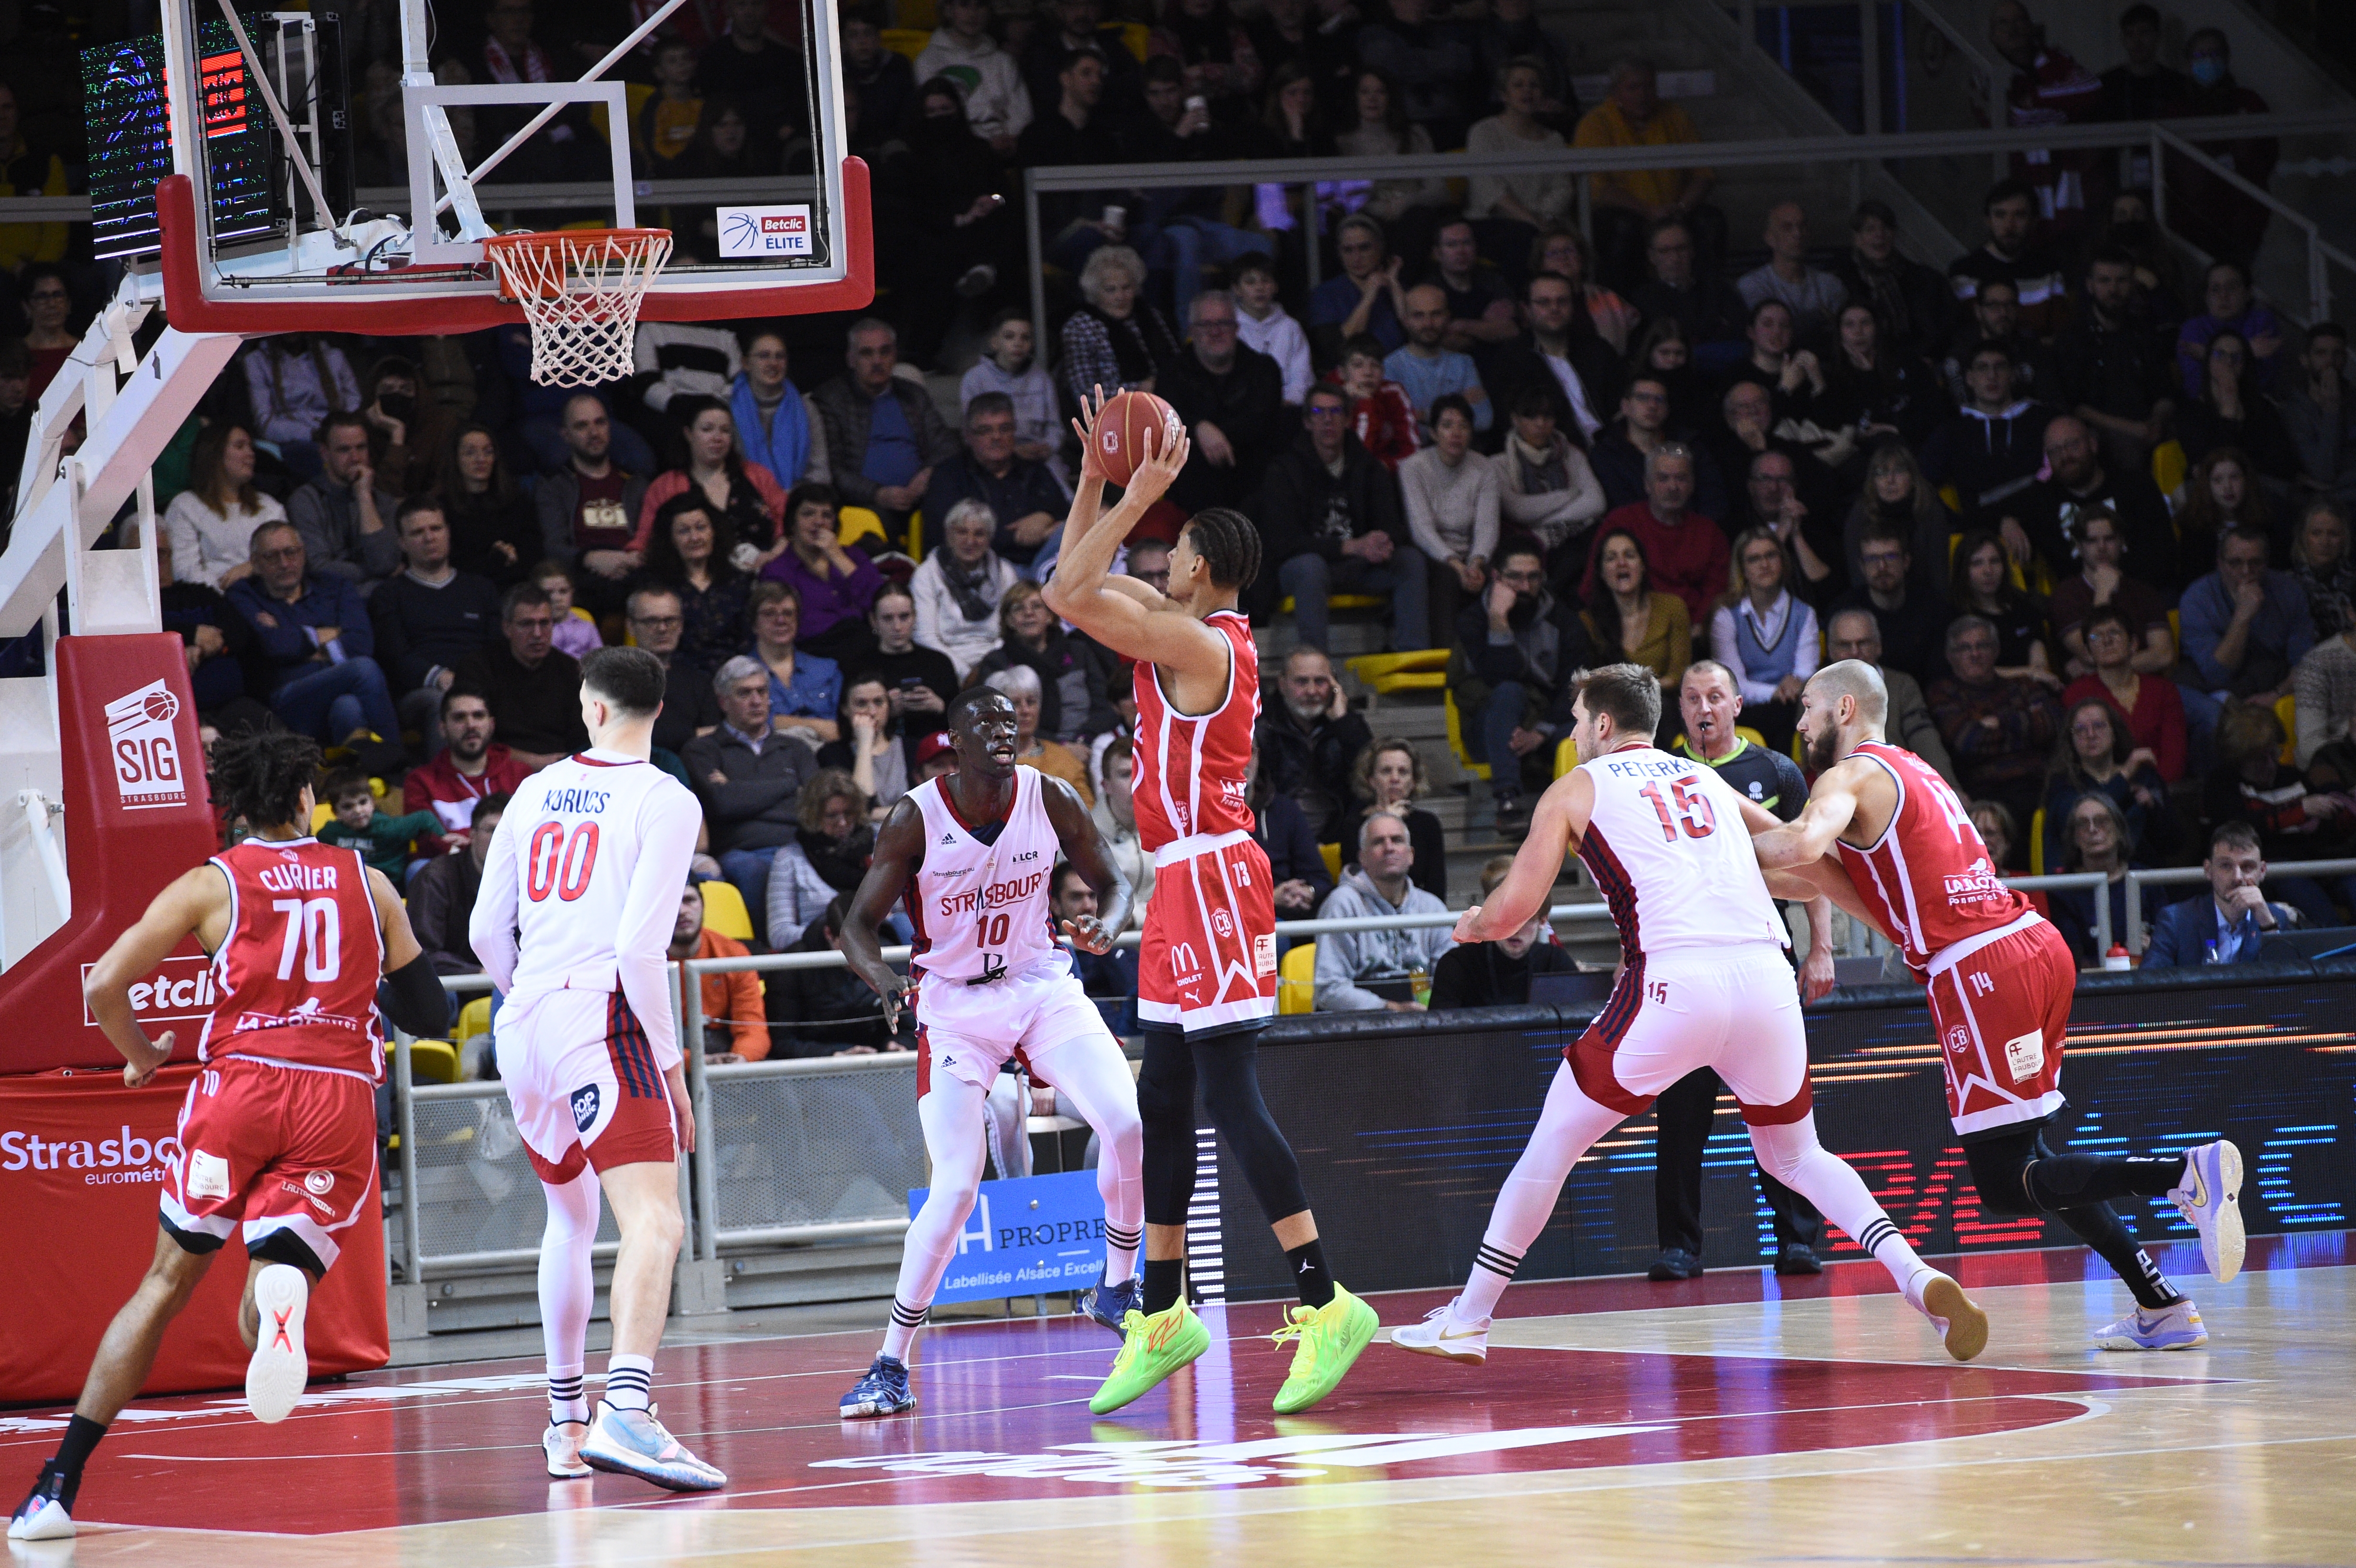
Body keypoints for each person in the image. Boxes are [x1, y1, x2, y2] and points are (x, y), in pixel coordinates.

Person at [1395, 663, 1988, 1369]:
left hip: (1675, 981)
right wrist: (1893, 925)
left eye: (1581, 721)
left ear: (1604, 725)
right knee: (1799, 1155)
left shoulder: (1575, 787)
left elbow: (1514, 911)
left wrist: (1472, 925)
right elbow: (1809, 859)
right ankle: (1914, 1275)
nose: (1577, 733)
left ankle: (1469, 1318)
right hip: (1767, 977)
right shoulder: (1706, 779)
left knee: (1553, 1145)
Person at [7, 732, 446, 1542]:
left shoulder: (212, 884)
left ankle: (56, 1488)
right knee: (278, 1273)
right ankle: (281, 1302)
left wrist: (144, 1056)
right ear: (307, 801)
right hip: (336, 1096)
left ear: (238, 807)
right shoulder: (369, 882)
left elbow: (104, 983)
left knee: (164, 1285)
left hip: (237, 1090)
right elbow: (432, 1015)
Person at [1753, 660, 2245, 1352]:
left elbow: (1804, 842)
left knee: (2007, 1186)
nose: (1797, 722)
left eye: (1806, 707)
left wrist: (1718, 849)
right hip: (2033, 948)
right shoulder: (1916, 773)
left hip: (1981, 970)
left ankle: (2182, 1176)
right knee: (2036, 1160)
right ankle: (2159, 1303)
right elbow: (1845, 888)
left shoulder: (1847, 777)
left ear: (1842, 709)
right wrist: (1758, 860)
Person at [1045, 412, 1379, 1416]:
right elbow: (1074, 576)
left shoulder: (1194, 639)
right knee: (1163, 1101)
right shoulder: (1174, 617)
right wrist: (1096, 477)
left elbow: (1067, 594)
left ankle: (1326, 1301)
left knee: (1229, 1097)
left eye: (1174, 546)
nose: (1160, 552)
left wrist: (1134, 489)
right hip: (1180, 881)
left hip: (1218, 882)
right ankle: (1162, 1307)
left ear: (1204, 565)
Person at [834, 688, 1145, 1419]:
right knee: (957, 1188)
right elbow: (857, 925)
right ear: (954, 739)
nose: (1003, 732)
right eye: (986, 723)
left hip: (1040, 987)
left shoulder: (1052, 796)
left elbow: (1114, 882)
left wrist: (1108, 926)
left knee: (1126, 1124)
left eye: (1010, 722)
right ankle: (891, 1364)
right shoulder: (917, 815)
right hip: (954, 1009)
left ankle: (1118, 1286)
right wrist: (883, 979)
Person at [468, 647, 723, 1489]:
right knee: (658, 1223)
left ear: (593, 707)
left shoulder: (533, 790)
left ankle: (565, 1425)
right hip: (601, 1013)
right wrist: (673, 1067)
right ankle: (630, 1412)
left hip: (526, 1019)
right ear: (657, 710)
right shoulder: (665, 798)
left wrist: (524, 999)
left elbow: (481, 930)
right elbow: (639, 950)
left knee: (571, 1224)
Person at [1652, 659, 1832, 1278]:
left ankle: (1798, 1241)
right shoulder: (1658, 774)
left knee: (1779, 1107)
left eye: (1716, 697)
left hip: (1762, 961)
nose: (1705, 707)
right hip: (1686, 965)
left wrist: (1822, 948)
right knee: (1680, 1117)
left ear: (1737, 707)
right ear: (1680, 708)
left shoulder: (1775, 770)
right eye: (1693, 697)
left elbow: (1813, 861)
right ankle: (1680, 1248)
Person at [1255, 384, 1424, 654]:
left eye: (1336, 411)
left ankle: (1411, 656)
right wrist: (1351, 547)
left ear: (1348, 420)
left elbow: (1393, 524)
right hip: (1302, 569)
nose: (1328, 419)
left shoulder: (1368, 467)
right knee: (1310, 567)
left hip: (1359, 567)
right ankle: (1315, 664)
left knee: (1410, 560)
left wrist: (1383, 541)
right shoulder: (1284, 470)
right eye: (1319, 412)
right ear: (1308, 422)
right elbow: (1281, 543)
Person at [225, 523, 403, 762]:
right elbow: (273, 646)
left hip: (337, 688)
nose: (285, 563)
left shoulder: (335, 586)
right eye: (272, 557)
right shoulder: (243, 594)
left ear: (304, 553)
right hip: (286, 699)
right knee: (363, 669)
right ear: (255, 564)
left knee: (347, 707)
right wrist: (330, 635)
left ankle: (352, 783)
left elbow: (361, 643)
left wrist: (290, 636)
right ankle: (395, 758)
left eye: (292, 552)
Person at [1461, 541, 1599, 832]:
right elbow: (1493, 680)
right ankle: (1508, 802)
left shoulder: (1563, 621)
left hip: (1547, 726)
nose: (1525, 586)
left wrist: (1539, 733)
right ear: (1496, 577)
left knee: (1592, 731)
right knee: (1509, 691)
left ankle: (1587, 819)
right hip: (1491, 728)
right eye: (1515, 577)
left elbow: (1576, 687)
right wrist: (1499, 621)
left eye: (1533, 577)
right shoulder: (1473, 620)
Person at [684, 655, 821, 937]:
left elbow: (814, 807)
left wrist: (738, 790)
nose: (756, 701)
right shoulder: (703, 750)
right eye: (744, 693)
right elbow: (721, 804)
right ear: (723, 702)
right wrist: (789, 785)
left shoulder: (797, 749)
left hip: (800, 847)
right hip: (743, 852)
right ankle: (762, 958)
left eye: (762, 691)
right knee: (753, 870)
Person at [1573, 57, 1719, 293]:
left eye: (1649, 87)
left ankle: (1709, 297)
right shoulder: (1596, 124)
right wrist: (1647, 210)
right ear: (1616, 92)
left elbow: (1704, 174)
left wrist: (1681, 208)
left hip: (1676, 210)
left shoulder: (1675, 116)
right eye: (1634, 88)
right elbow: (1597, 188)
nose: (1643, 95)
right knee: (1622, 228)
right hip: (1629, 213)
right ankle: (1623, 302)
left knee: (1710, 221)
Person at [370, 499, 502, 751]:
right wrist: (439, 677)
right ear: (402, 543)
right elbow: (395, 656)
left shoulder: (481, 588)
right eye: (418, 533)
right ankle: (448, 787)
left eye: (436, 529)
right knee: (444, 703)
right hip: (421, 693)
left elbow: (496, 647)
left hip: (479, 683)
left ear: (448, 532)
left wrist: (472, 681)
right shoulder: (388, 595)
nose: (429, 538)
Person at [812, 319, 960, 543]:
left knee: (951, 507)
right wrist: (878, 494)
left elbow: (947, 445)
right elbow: (835, 470)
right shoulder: (831, 399)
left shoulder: (913, 395)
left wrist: (928, 473)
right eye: (867, 354)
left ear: (895, 356)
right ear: (851, 360)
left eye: (885, 352)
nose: (877, 361)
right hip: (867, 504)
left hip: (921, 497)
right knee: (879, 528)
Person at [2010, 414, 2179, 593]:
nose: (2066, 456)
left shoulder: (2136, 487)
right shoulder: (2042, 501)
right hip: (2080, 605)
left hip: (2143, 592)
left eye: (2073, 445)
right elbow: (1989, 509)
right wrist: (2008, 521)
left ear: (2093, 445)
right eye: (2055, 451)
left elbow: (2164, 554)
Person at [2049, 248, 2178, 480]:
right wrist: (2131, 429)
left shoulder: (2146, 332)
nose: (2113, 289)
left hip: (2148, 425)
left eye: (2121, 281)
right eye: (2105, 281)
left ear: (2133, 284)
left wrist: (2156, 421)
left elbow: (2165, 391)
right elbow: (2076, 406)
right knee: (2126, 452)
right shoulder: (2072, 338)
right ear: (2090, 286)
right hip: (2102, 430)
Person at [1928, 613, 2064, 828]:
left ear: (1996, 651)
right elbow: (1969, 742)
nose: (1975, 654)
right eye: (1965, 648)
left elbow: (2054, 724)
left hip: (2041, 783)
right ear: (1950, 656)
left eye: (1983, 646)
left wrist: (1999, 722)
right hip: (1988, 792)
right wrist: (2026, 729)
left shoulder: (2024, 686)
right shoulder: (1943, 693)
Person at [1160, 290, 1289, 512]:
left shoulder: (1264, 370)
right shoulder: (1171, 375)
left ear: (1237, 328)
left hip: (1255, 489)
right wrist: (1198, 427)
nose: (1216, 332)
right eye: (1206, 325)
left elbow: (1260, 424)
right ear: (1192, 331)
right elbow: (1166, 427)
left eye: (1224, 323)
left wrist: (1210, 433)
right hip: (1192, 498)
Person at [1313, 812, 1454, 1012]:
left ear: (1411, 855)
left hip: (1423, 1023)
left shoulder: (1432, 908)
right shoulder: (1341, 904)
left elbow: (1452, 982)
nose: (1389, 848)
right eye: (1378, 842)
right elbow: (1329, 991)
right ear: (1363, 858)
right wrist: (1390, 1009)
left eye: (1397, 840)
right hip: (1358, 1028)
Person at [1588, 445, 1725, 638]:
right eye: (1663, 479)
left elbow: (1717, 592)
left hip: (1695, 634)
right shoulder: (1621, 523)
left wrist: (1697, 628)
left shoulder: (1709, 532)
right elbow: (1594, 586)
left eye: (1681, 478)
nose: (1673, 487)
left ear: (1693, 484)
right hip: (1630, 635)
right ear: (1647, 484)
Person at [631, 397, 787, 566]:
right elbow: (644, 542)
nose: (718, 438)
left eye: (725, 431)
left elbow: (790, 525)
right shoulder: (665, 486)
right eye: (707, 429)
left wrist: (773, 556)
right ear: (689, 434)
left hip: (763, 573)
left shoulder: (758, 475)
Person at [450, 581, 590, 769]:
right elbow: (473, 737)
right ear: (507, 628)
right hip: (496, 770)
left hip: (561, 771)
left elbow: (582, 738)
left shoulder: (571, 670)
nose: (538, 634)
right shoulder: (477, 668)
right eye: (526, 624)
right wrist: (537, 763)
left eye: (544, 623)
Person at [1921, 341, 2053, 541]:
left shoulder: (2043, 420)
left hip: (2043, 527)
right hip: (1977, 537)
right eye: (1983, 368)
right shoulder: (1951, 431)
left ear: (2013, 375)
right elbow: (1924, 484)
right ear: (1970, 378)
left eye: (2000, 367)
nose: (1992, 376)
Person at [924, 393, 1069, 573]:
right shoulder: (948, 476)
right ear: (968, 436)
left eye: (1005, 429)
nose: (997, 437)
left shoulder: (1036, 471)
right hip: (984, 569)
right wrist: (1032, 535)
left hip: (1043, 565)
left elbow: (1069, 517)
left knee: (1087, 527)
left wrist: (1046, 518)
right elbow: (948, 538)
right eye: (986, 431)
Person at [535, 394, 650, 618]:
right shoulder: (553, 486)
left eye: (600, 422)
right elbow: (553, 547)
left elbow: (652, 539)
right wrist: (589, 558)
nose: (594, 432)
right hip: (581, 581)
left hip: (633, 576)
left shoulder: (636, 483)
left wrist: (632, 559)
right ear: (565, 435)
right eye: (582, 426)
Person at [1400, 395, 1500, 647]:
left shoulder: (1485, 468)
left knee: (1502, 574)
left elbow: (1487, 527)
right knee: (1445, 579)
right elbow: (1421, 530)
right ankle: (1443, 660)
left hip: (1472, 554)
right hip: (1433, 554)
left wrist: (1476, 563)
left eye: (1463, 426)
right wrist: (1458, 567)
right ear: (1433, 433)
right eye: (1447, 426)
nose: (1456, 433)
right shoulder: (1414, 467)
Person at [1487, 270, 1623, 452]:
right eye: (1544, 302)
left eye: (1562, 301)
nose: (1554, 308)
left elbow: (1622, 407)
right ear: (1526, 309)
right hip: (1554, 453)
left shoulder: (1598, 350)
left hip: (1613, 450)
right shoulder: (1511, 360)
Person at [2042, 695, 2178, 872]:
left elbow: (2175, 842)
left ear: (2115, 732)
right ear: (2071, 740)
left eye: (2098, 726)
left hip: (2144, 876)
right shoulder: (2062, 783)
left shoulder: (2144, 775)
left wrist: (2154, 809)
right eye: (2081, 729)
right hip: (2085, 880)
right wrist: (2126, 774)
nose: (2091, 735)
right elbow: (2076, 821)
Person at [1711, 529, 1819, 753]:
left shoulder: (1804, 613)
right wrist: (1775, 692)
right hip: (1746, 709)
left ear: (1783, 561)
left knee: (1791, 717)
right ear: (1742, 568)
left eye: (1771, 556)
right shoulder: (1726, 616)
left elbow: (1805, 675)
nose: (1764, 565)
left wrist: (1793, 687)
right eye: (1754, 559)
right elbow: (1733, 684)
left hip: (1792, 708)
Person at [2181, 527, 2317, 704]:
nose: (2246, 571)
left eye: (2256, 563)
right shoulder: (2197, 598)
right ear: (2220, 564)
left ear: (2267, 563)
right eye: (2235, 563)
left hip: (2272, 682)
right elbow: (2217, 673)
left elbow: (2304, 662)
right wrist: (2243, 617)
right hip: (2211, 688)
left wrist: (2277, 695)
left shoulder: (2289, 591)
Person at [1256, 643, 1375, 843]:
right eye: (1302, 682)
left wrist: (1343, 723)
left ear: (1335, 684)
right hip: (1277, 839)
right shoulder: (1263, 726)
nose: (1312, 691)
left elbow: (1372, 773)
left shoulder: (1347, 724)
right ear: (1282, 684)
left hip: (1341, 836)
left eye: (1320, 682)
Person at [972, 580, 1116, 744]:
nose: (1029, 613)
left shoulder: (1079, 652)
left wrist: (1084, 739)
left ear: (1050, 616)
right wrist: (1059, 746)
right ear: (1009, 621)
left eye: (1037, 606)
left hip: (1086, 743)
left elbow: (1105, 705)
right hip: (1025, 745)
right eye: (1019, 608)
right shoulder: (997, 663)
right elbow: (990, 717)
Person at [1826, 607, 1958, 784]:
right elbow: (1813, 757)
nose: (1855, 652)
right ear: (1830, 650)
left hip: (1895, 785)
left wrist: (1949, 787)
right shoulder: (1816, 690)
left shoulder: (1901, 686)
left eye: (1863, 643)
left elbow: (1925, 739)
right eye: (1845, 645)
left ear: (1879, 646)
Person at [2142, 824, 2300, 968]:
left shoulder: (2275, 919)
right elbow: (2150, 983)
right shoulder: (2176, 920)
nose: (2238, 877)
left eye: (2247, 867)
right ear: (2208, 870)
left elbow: (2289, 987)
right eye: (2226, 866)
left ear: (2262, 871)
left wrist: (2267, 924)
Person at [2062, 604, 2187, 785]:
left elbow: (2175, 757)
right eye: (2096, 636)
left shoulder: (2164, 691)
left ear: (2133, 644)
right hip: (2106, 794)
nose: (2106, 641)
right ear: (2088, 652)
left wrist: (2154, 791)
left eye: (2115, 633)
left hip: (2162, 790)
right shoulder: (2076, 695)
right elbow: (2083, 760)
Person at [2047, 507, 2177, 680]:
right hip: (2096, 696)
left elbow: (2164, 655)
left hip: (2150, 687)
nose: (2102, 547)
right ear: (2079, 546)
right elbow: (2089, 652)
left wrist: (2099, 668)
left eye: (2109, 539)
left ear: (2122, 543)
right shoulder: (2065, 596)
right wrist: (2103, 594)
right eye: (2092, 541)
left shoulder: (2144, 592)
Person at [759, 484, 884, 664]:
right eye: (808, 514)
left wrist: (837, 556)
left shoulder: (854, 557)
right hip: (815, 653)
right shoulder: (777, 571)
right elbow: (792, 627)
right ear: (792, 523)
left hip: (866, 644)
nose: (818, 522)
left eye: (827, 515)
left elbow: (881, 603)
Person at [405, 689, 531, 856]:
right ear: (443, 729)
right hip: (453, 870)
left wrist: (471, 842)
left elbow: (534, 831)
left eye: (478, 716)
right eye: (459, 718)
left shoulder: (521, 775)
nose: (471, 725)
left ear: (492, 725)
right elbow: (428, 842)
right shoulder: (421, 782)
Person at [1495, 389, 1606, 578]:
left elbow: (1597, 503)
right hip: (1532, 547)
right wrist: (1570, 495)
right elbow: (1518, 510)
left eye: (1547, 416)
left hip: (1580, 537)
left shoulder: (1572, 454)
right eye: (1531, 416)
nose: (1541, 424)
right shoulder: (1499, 464)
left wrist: (1543, 522)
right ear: (1515, 419)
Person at [1828, 199, 1953, 366]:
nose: (1879, 235)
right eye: (1870, 229)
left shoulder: (1926, 279)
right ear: (1857, 239)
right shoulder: (1841, 284)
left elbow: (1945, 324)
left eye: (1886, 228)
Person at [164, 424, 288, 591]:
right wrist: (232, 592)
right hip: (213, 603)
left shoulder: (269, 507)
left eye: (251, 447)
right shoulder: (185, 506)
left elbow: (287, 560)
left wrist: (254, 567)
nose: (251, 454)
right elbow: (185, 571)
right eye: (240, 446)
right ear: (213, 454)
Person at [285, 413, 401, 592]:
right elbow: (319, 568)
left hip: (381, 600)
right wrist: (372, 573)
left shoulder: (383, 502)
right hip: (331, 599)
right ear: (325, 454)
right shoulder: (306, 501)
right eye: (344, 450)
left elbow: (385, 562)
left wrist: (364, 497)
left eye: (361, 448)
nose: (355, 458)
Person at [765, 769, 880, 948]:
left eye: (849, 813)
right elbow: (779, 934)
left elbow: (901, 916)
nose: (842, 823)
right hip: (821, 959)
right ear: (814, 816)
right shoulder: (789, 859)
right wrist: (832, 934)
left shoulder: (878, 849)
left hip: (878, 947)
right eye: (832, 816)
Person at [1946, 177, 2069, 340]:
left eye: (2019, 215)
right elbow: (1958, 336)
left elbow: (2059, 335)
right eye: (2000, 215)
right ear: (1988, 221)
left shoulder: (2048, 271)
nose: (2009, 226)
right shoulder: (1963, 273)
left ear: (2034, 221)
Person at [910, 499, 1020, 680]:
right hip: (944, 663)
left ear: (989, 539)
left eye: (979, 534)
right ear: (948, 535)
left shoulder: (1005, 573)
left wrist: (987, 666)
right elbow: (925, 637)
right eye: (962, 532)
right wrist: (966, 673)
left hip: (997, 662)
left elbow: (1012, 629)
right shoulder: (926, 575)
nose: (970, 541)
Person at [1060, 247, 1180, 409]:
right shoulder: (1080, 327)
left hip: (1167, 405)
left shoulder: (1151, 315)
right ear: (1096, 292)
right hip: (1116, 414)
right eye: (1111, 290)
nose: (1120, 297)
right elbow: (1085, 393)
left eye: (1126, 288)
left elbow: (1177, 363)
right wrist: (1138, 391)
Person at [2174, 333, 2300, 486]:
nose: (2228, 362)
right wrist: (2228, 416)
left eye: (2236, 357)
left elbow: (2283, 464)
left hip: (2260, 488)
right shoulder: (2189, 411)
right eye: (2219, 355)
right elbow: (2209, 467)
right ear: (2208, 361)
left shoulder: (2262, 407)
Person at [1581, 527, 1690, 702]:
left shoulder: (1672, 607)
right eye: (1611, 558)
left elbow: (1678, 677)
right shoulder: (1587, 621)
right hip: (1611, 710)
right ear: (1601, 573)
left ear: (1643, 565)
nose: (1621, 563)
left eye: (1630, 556)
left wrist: (1636, 691)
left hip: (1662, 704)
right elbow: (1587, 683)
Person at [1833, 523, 1946, 686]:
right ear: (1862, 567)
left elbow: (1941, 677)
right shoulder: (1844, 612)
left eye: (1891, 557)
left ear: (1906, 562)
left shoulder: (1933, 608)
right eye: (1872, 559)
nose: (1882, 567)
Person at [409, 793, 509, 979]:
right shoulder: (436, 878)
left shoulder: (531, 882)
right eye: (492, 830)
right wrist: (479, 974)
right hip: (454, 986)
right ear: (472, 834)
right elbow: (422, 954)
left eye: (508, 831)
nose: (501, 839)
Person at [960, 310, 1066, 480]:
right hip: (994, 455)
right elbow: (971, 431)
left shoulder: (1042, 379)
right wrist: (1011, 450)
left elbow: (1055, 427)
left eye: (1025, 338)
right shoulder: (975, 379)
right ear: (995, 342)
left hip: (1039, 456)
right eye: (1010, 337)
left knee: (1060, 492)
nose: (1018, 343)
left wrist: (1047, 447)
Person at [622, 587, 724, 760]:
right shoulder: (613, 681)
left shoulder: (700, 681)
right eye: (651, 621)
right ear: (631, 627)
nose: (662, 629)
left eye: (670, 620)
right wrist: (691, 734)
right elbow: (628, 739)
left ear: (681, 625)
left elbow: (716, 737)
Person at [1339, 738, 1447, 900]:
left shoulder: (1427, 824)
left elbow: (1436, 888)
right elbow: (1356, 880)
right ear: (1372, 781)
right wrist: (1387, 820)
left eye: (1403, 772)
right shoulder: (1353, 825)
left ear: (1413, 782)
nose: (1395, 778)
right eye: (1386, 771)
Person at [437, 423, 540, 588]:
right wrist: (499, 559)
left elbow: (532, 554)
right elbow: (451, 565)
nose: (481, 459)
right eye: (471, 453)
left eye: (488, 452)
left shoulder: (517, 501)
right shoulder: (442, 508)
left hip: (514, 587)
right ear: (456, 459)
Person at [1948, 530, 2055, 686]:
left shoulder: (2025, 609)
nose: (1988, 571)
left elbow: (2041, 666)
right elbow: (1969, 671)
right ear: (1963, 570)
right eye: (1977, 563)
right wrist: (2029, 672)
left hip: (2029, 691)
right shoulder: (1955, 617)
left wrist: (2034, 673)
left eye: (1995, 561)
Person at [1736, 202, 1845, 347]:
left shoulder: (1831, 284)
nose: (1798, 234)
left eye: (1802, 227)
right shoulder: (1752, 285)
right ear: (1770, 238)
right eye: (1787, 228)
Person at [745, 581, 841, 745]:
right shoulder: (741, 676)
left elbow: (842, 729)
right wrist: (817, 725)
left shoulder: (827, 669)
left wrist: (778, 721)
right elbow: (747, 726)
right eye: (770, 614)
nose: (781, 620)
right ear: (754, 625)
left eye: (788, 613)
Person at [865, 582, 960, 748]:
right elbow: (848, 722)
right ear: (874, 621)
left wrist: (939, 707)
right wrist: (886, 711)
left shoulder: (939, 663)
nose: (897, 627)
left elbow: (962, 722)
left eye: (904, 617)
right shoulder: (861, 666)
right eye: (888, 618)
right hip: (878, 748)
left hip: (936, 749)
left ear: (915, 617)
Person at [982, 664, 1093, 805]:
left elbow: (1087, 814)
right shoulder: (981, 762)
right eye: (1016, 704)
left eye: (1031, 702)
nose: (1026, 711)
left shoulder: (1065, 760)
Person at [2176, 260, 2286, 401]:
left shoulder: (2262, 321)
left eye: (2232, 288)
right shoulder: (2194, 329)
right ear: (2206, 297)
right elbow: (2198, 385)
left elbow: (2260, 380)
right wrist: (2247, 352)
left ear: (2248, 293)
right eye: (2215, 289)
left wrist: (2208, 355)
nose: (2223, 296)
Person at [1307, 213, 1410, 361]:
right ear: (1339, 253)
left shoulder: (1397, 289)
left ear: (1380, 248)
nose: (1356, 258)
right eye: (1348, 250)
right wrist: (1369, 297)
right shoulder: (1326, 295)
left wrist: (1394, 284)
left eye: (1364, 248)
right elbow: (1335, 348)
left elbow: (1417, 334)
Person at [315, 768, 438, 881]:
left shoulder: (388, 827)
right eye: (348, 807)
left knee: (419, 868)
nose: (358, 811)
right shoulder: (329, 834)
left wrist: (447, 843)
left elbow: (425, 818)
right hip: (351, 889)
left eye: (363, 802)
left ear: (373, 802)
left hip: (392, 889)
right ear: (336, 812)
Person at [1332, 333, 1423, 475]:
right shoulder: (1331, 401)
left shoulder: (1394, 393)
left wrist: (1385, 465)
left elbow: (1414, 451)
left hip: (1385, 475)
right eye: (1358, 365)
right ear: (1342, 373)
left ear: (1383, 371)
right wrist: (1366, 404)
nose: (1368, 372)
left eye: (1375, 365)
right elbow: (1355, 459)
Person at [1090, 737, 1156, 930]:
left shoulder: (1170, 828)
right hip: (1111, 946)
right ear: (1105, 786)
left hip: (1164, 939)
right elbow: (1091, 904)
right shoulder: (1086, 836)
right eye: (1126, 774)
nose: (1136, 783)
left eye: (1141, 773)